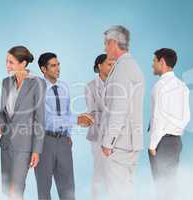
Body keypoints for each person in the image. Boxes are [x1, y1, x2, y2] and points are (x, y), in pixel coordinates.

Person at [35, 52, 94, 200]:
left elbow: (67, 111)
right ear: (43, 69)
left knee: (68, 188)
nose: (58, 68)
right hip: (44, 142)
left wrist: (68, 134)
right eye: (53, 66)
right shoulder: (38, 90)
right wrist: (78, 120)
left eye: (58, 64)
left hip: (63, 143)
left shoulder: (64, 87)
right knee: (44, 188)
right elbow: (48, 120)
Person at [100, 25, 145, 200]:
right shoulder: (131, 65)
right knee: (126, 189)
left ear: (113, 43)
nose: (104, 48)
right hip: (131, 141)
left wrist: (108, 142)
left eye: (106, 43)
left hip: (120, 143)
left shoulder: (123, 69)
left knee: (118, 192)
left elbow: (119, 109)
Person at [0, 46, 46, 200]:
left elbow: (40, 118)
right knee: (7, 189)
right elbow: (2, 113)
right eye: (6, 62)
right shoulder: (6, 82)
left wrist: (37, 150)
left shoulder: (37, 83)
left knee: (16, 189)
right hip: (6, 143)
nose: (7, 66)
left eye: (11, 62)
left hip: (24, 145)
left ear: (23, 63)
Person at [148, 48, 190, 199]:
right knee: (171, 186)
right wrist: (175, 129)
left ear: (162, 62)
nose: (152, 65)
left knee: (162, 188)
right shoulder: (182, 86)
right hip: (176, 142)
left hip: (161, 143)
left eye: (154, 61)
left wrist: (152, 146)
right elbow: (186, 118)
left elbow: (157, 117)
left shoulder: (159, 87)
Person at [85, 53, 115, 199]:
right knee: (99, 170)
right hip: (98, 135)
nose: (112, 67)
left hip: (115, 135)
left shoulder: (116, 85)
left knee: (114, 172)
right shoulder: (90, 86)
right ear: (100, 66)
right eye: (109, 64)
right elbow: (92, 112)